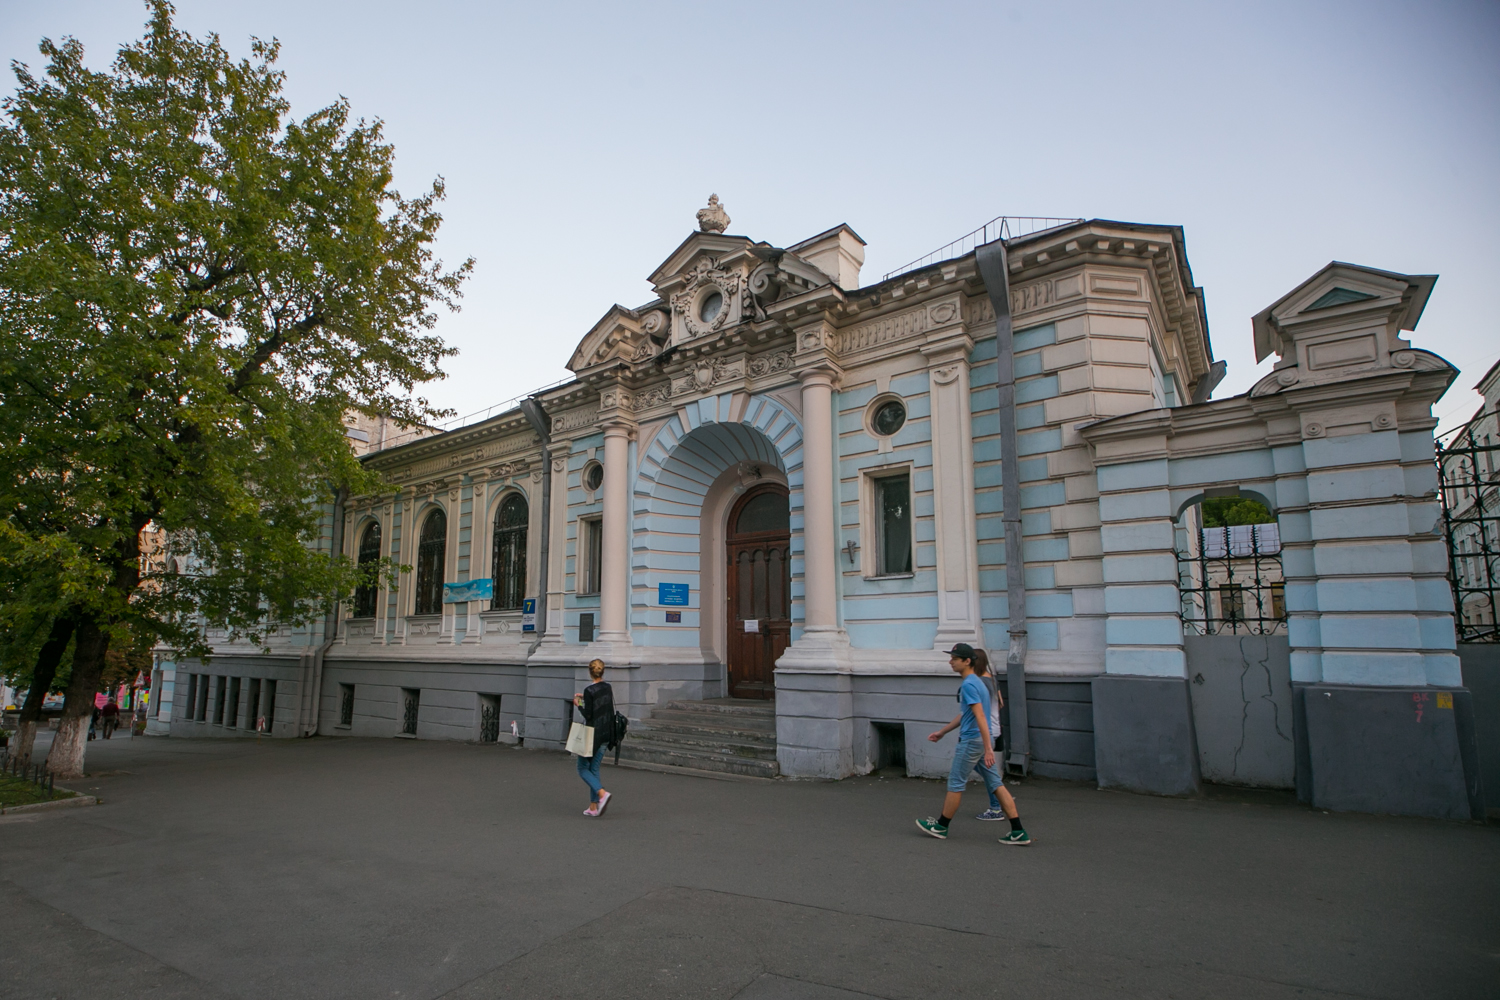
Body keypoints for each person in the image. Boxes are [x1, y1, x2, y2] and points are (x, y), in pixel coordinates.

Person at [916, 643, 1031, 845]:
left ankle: (941, 826)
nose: (950, 662)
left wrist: (988, 749)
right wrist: (943, 732)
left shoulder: (970, 684)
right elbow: (967, 715)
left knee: (955, 783)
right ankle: (1018, 831)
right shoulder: (978, 682)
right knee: (996, 784)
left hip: (972, 742)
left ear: (967, 661)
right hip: (979, 742)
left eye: (955, 658)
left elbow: (980, 717)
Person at [970, 651, 1026, 839]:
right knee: (987, 768)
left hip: (984, 730)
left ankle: (996, 806)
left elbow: (979, 711)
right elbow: (1000, 704)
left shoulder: (979, 682)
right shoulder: (992, 679)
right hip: (995, 728)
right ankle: (1001, 798)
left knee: (984, 769)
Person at [572, 659, 617, 817]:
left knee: (582, 768)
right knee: (594, 768)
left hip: (591, 735)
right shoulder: (608, 687)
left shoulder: (589, 690)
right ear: (602, 671)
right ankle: (593, 807)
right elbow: (600, 707)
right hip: (606, 733)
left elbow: (588, 714)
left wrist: (579, 704)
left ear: (590, 672)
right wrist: (584, 699)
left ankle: (602, 793)